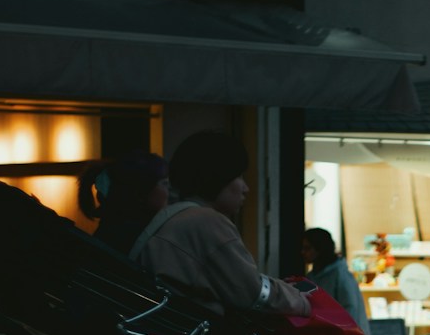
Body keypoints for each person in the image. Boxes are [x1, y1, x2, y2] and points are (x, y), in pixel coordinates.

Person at [131, 130, 310, 318]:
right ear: (217, 176)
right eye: (239, 176)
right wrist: (302, 301)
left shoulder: (175, 217)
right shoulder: (206, 221)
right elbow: (252, 293)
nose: (245, 189)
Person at [77, 150, 170, 256]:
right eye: (164, 183)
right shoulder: (137, 237)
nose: (169, 190)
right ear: (141, 190)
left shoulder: (113, 227)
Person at [301, 227, 370, 335]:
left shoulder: (340, 274)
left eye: (308, 248)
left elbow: (350, 309)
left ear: (319, 249)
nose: (303, 252)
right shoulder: (312, 277)